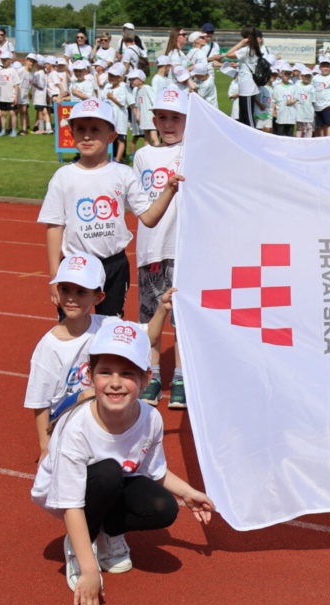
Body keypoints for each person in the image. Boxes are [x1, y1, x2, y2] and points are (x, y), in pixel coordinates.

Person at [30, 317, 215, 605]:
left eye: (127, 374)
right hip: (68, 496)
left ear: (146, 378)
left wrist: (188, 492)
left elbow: (154, 470)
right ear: (91, 377)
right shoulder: (77, 428)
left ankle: (110, 532)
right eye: (105, 372)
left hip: (110, 485)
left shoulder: (150, 418)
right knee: (107, 473)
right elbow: (71, 502)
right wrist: (90, 571)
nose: (115, 382)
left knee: (163, 507)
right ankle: (81, 545)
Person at [40, 98, 145, 318]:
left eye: (95, 129)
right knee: (72, 326)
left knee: (110, 325)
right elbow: (54, 226)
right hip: (75, 265)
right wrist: (54, 275)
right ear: (72, 133)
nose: (87, 136)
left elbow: (149, 216)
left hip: (114, 264)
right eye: (80, 129)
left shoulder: (122, 173)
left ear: (111, 136)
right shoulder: (63, 176)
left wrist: (170, 191)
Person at [132, 88, 189, 409]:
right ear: (153, 119)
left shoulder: (195, 151)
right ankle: (152, 375)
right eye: (163, 118)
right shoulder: (143, 156)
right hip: (152, 249)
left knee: (181, 320)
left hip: (184, 250)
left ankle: (180, 376)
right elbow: (141, 204)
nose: (168, 125)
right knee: (151, 318)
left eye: (176, 118)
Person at [26, 254, 109, 460]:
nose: (71, 298)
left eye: (81, 292)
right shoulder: (48, 346)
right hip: (65, 419)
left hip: (96, 416)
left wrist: (162, 309)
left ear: (98, 297)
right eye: (65, 289)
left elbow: (146, 335)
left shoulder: (106, 325)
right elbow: (39, 401)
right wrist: (45, 447)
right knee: (89, 393)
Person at [225, 26, 271, 127]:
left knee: (248, 117)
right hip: (246, 87)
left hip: (248, 87)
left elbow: (228, 54)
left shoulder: (247, 50)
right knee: (244, 116)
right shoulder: (254, 49)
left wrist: (241, 43)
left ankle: (252, 139)